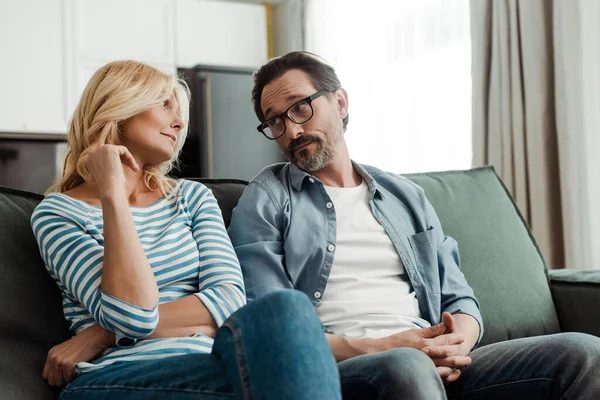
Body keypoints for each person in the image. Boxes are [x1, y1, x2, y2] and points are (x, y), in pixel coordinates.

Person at [227, 51, 600, 400]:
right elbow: (274, 325)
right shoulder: (267, 198)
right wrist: (389, 347)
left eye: (300, 109)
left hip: (432, 355)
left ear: (340, 103)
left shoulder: (404, 195)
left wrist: (457, 343)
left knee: (582, 352)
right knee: (406, 367)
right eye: (275, 121)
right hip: (348, 366)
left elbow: (459, 297)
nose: (291, 131)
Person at [30, 60, 341, 400]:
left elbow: (230, 300)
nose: (178, 123)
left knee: (287, 311)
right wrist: (112, 194)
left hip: (209, 365)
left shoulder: (191, 197)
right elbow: (132, 315)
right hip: (118, 378)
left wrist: (100, 333)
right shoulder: (59, 213)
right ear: (119, 105)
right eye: (165, 104)